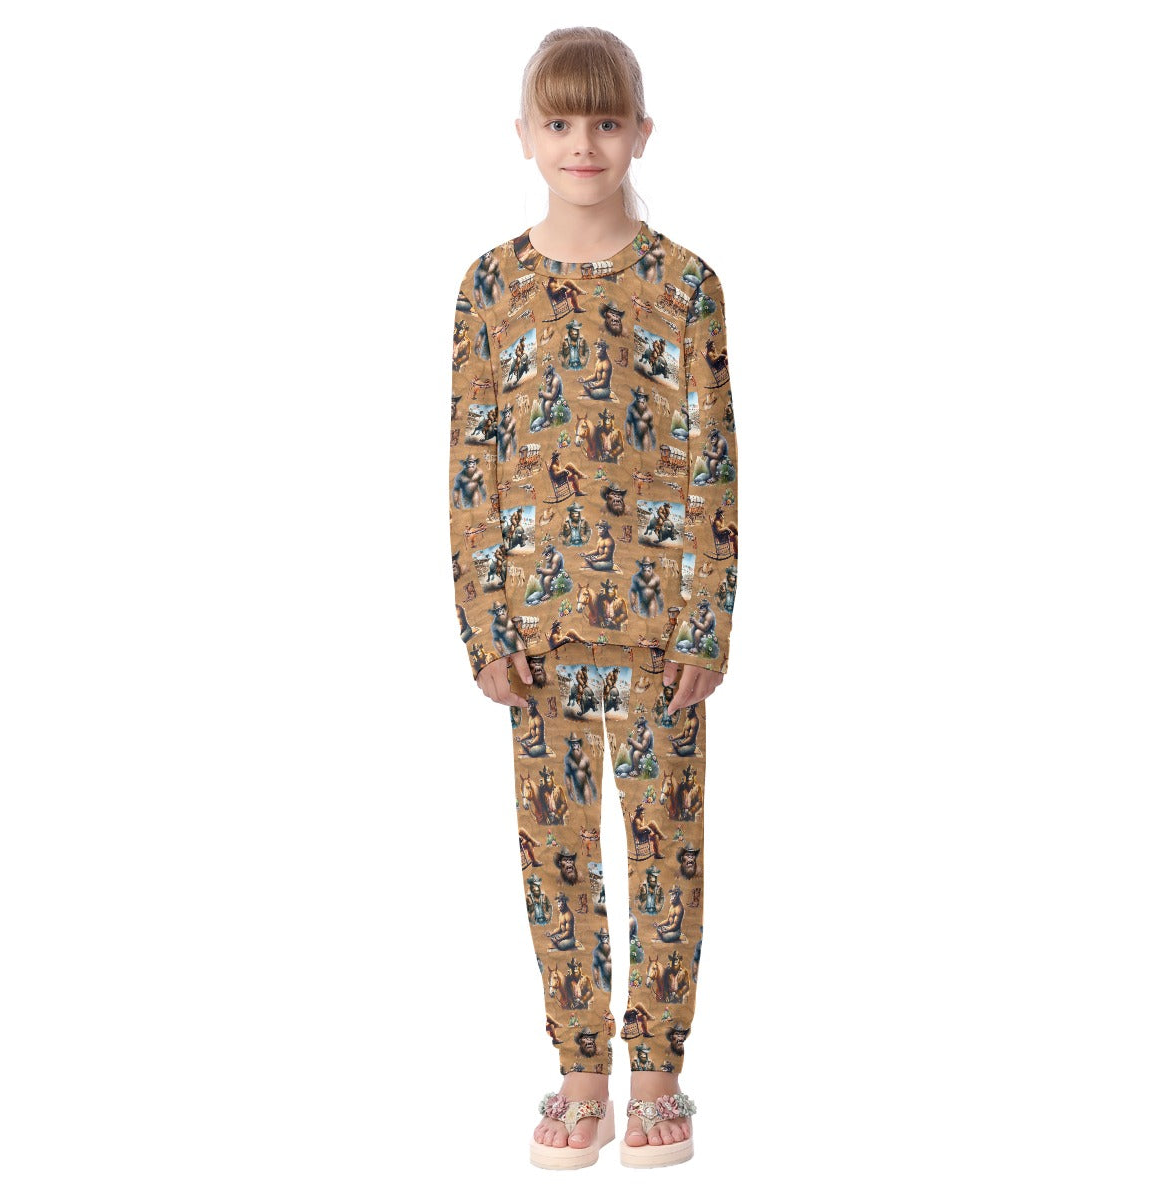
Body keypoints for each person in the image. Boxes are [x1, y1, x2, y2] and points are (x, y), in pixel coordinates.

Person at [447, 26, 740, 1170]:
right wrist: (483, 624)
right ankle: (581, 1074)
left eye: (606, 120)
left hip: (660, 637)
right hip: (538, 636)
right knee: (555, 856)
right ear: (525, 136)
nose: (584, 143)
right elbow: (471, 463)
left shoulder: (686, 288)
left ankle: (657, 1074)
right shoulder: (489, 289)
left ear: (642, 134)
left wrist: (707, 619)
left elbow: (711, 459)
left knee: (667, 853)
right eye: (561, 121)